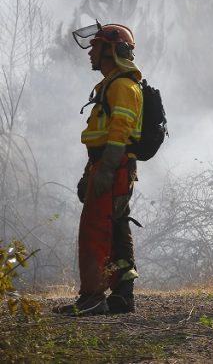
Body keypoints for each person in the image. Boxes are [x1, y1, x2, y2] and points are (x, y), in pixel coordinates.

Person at [55, 23, 143, 316]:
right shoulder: (112, 85)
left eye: (96, 46)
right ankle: (122, 296)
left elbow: (119, 132)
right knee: (115, 228)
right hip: (108, 165)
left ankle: (92, 297)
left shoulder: (122, 87)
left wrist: (105, 169)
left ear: (113, 50)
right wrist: (89, 171)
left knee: (95, 229)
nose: (90, 52)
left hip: (113, 166)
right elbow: (102, 136)